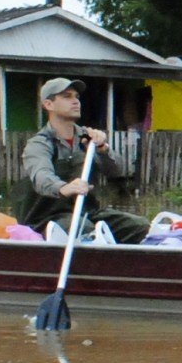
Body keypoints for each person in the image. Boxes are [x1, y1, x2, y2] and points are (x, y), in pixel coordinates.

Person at [20, 78, 150, 243]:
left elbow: (116, 171)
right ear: (48, 104)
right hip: (47, 219)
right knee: (83, 229)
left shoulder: (88, 137)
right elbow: (41, 177)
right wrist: (64, 188)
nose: (75, 101)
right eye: (67, 96)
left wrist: (103, 149)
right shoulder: (39, 144)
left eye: (77, 96)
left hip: (87, 213)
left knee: (140, 226)